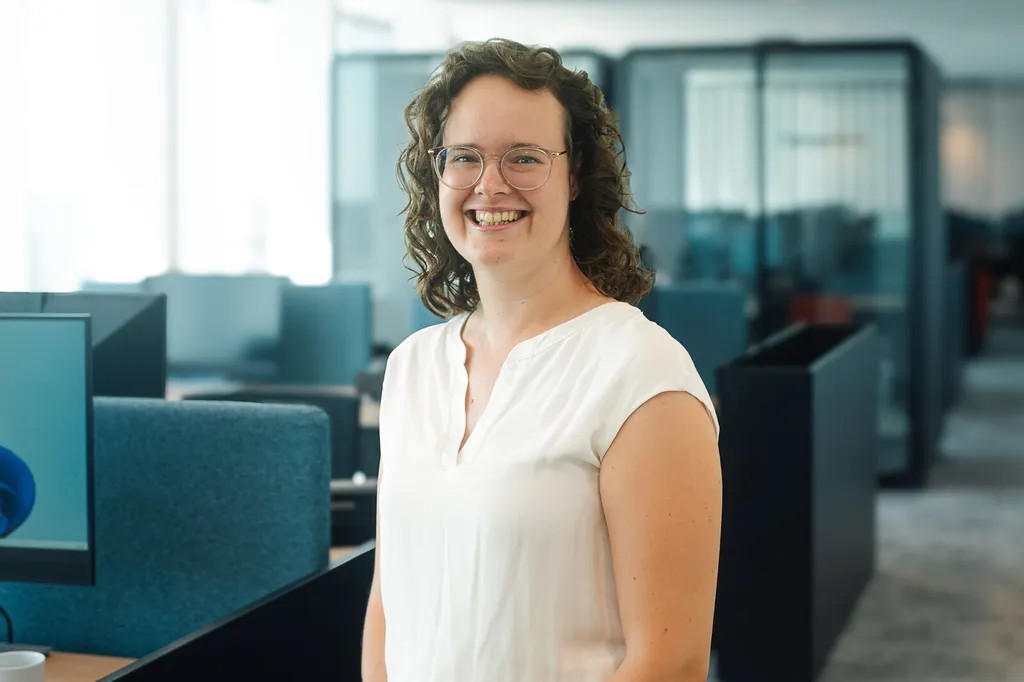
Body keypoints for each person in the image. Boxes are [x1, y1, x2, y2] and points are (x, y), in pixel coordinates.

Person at [361, 39, 722, 682]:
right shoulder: (412, 368)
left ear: (576, 173)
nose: (489, 184)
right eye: (464, 157)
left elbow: (670, 663)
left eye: (523, 157)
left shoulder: (642, 375)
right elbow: (390, 605)